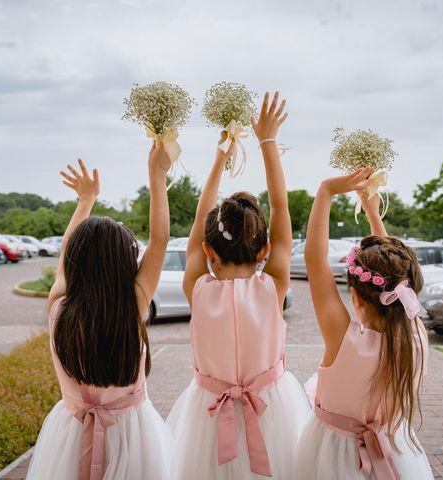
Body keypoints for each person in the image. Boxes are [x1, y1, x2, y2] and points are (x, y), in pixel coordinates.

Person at [166, 92, 310, 479]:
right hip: (273, 410)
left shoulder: (196, 289)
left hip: (207, 413)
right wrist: (267, 142)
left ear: (207, 252)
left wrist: (219, 159)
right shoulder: (274, 286)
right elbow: (280, 208)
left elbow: (201, 217)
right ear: (264, 249)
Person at [26, 148, 173, 480]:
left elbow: (66, 259)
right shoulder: (132, 303)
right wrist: (157, 175)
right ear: (125, 262)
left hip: (71, 432)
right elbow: (160, 240)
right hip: (132, 432)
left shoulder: (59, 308)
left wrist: (85, 201)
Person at [293, 170, 434, 479]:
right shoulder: (417, 336)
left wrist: (326, 190)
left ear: (354, 296)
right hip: (397, 453)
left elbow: (314, 258)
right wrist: (372, 211)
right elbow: (396, 268)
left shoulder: (344, 339)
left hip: (332, 456)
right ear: (406, 290)